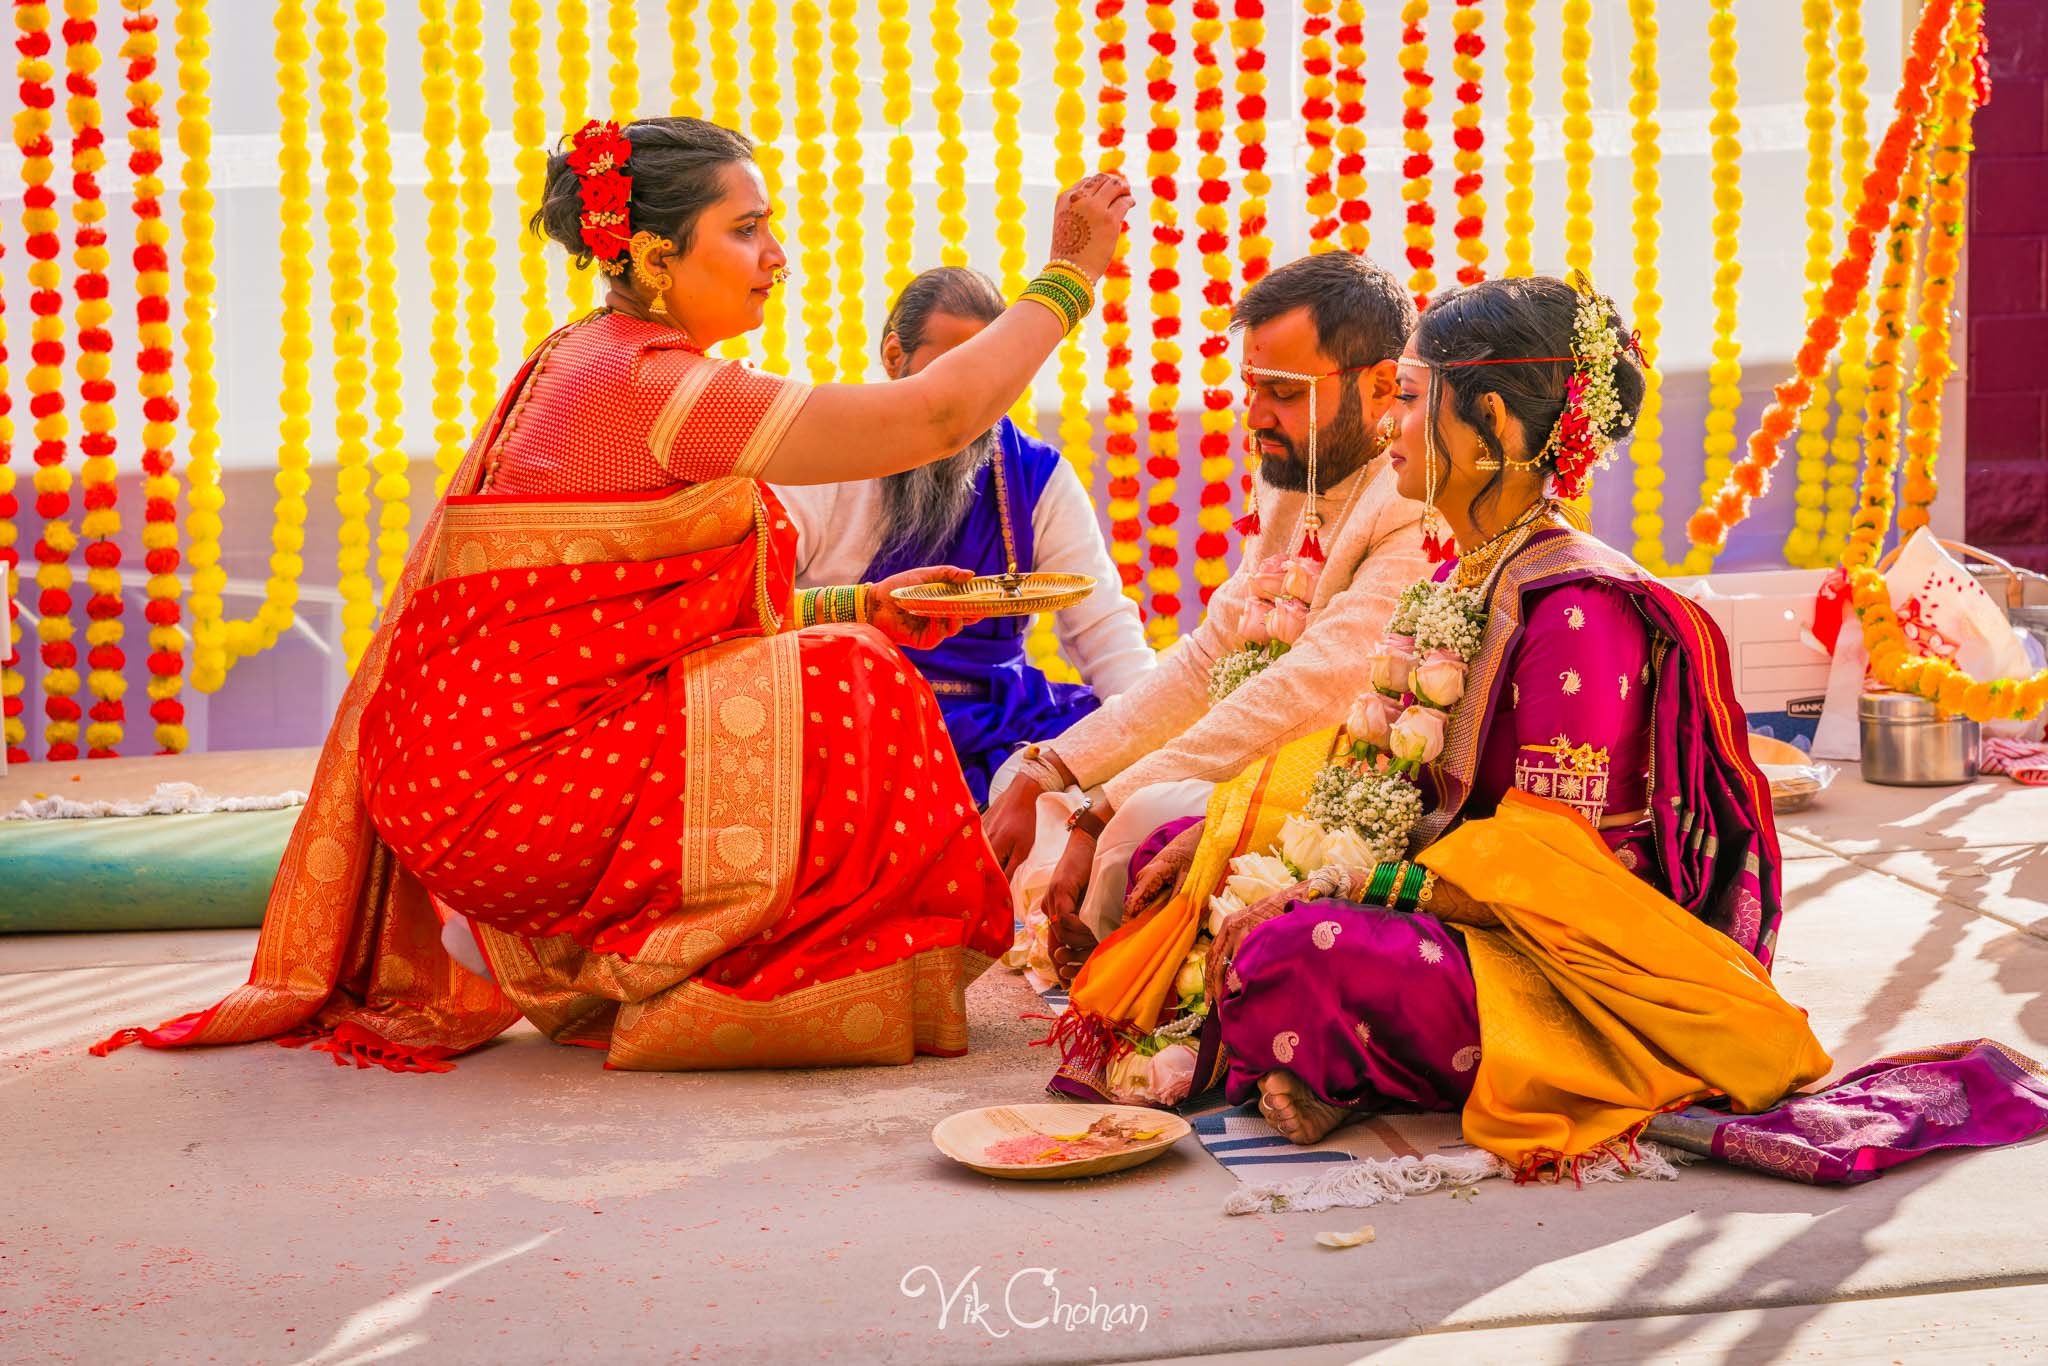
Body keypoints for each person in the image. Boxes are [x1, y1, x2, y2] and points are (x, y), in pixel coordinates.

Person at [93, 117, 1135, 1074]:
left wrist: (858, 606)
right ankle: (771, 979)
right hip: (510, 797)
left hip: (462, 776)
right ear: (652, 257)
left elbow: (644, 616)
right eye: (749, 230)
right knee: (861, 694)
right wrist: (1069, 273)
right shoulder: (656, 386)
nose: (779, 256)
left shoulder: (586, 356)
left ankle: (767, 946)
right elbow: (938, 415)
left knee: (856, 658)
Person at [1076, 275, 2048, 1185]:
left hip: (1564, 970)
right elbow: (1375, 782)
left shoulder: (1575, 604)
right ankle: (1334, 1057)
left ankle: (1355, 1058)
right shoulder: (1464, 571)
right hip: (1449, 907)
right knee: (1187, 853)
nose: (1389, 424)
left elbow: (1553, 863)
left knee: (1291, 952)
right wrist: (1257, 850)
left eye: (1413, 398)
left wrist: (1342, 882)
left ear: (1491, 423)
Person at [986, 250, 1429, 985]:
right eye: (1252, 386)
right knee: (1027, 786)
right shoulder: (1299, 469)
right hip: (1256, 747)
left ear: (1382, 384)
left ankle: (1123, 977)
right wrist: (1052, 770)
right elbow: (1209, 656)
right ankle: (1091, 955)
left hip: (1342, 776)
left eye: (1282, 391)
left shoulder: (1409, 499)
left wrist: (1105, 807)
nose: (1255, 416)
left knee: (1139, 812)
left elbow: (1311, 687)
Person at [772, 267, 1153, 804]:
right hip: (855, 721)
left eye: (988, 380)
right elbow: (755, 608)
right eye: (951, 375)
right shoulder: (830, 458)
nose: (968, 402)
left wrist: (1153, 744)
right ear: (892, 356)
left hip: (1004, 725)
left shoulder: (1036, 476)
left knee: (1096, 778)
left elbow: (1105, 629)